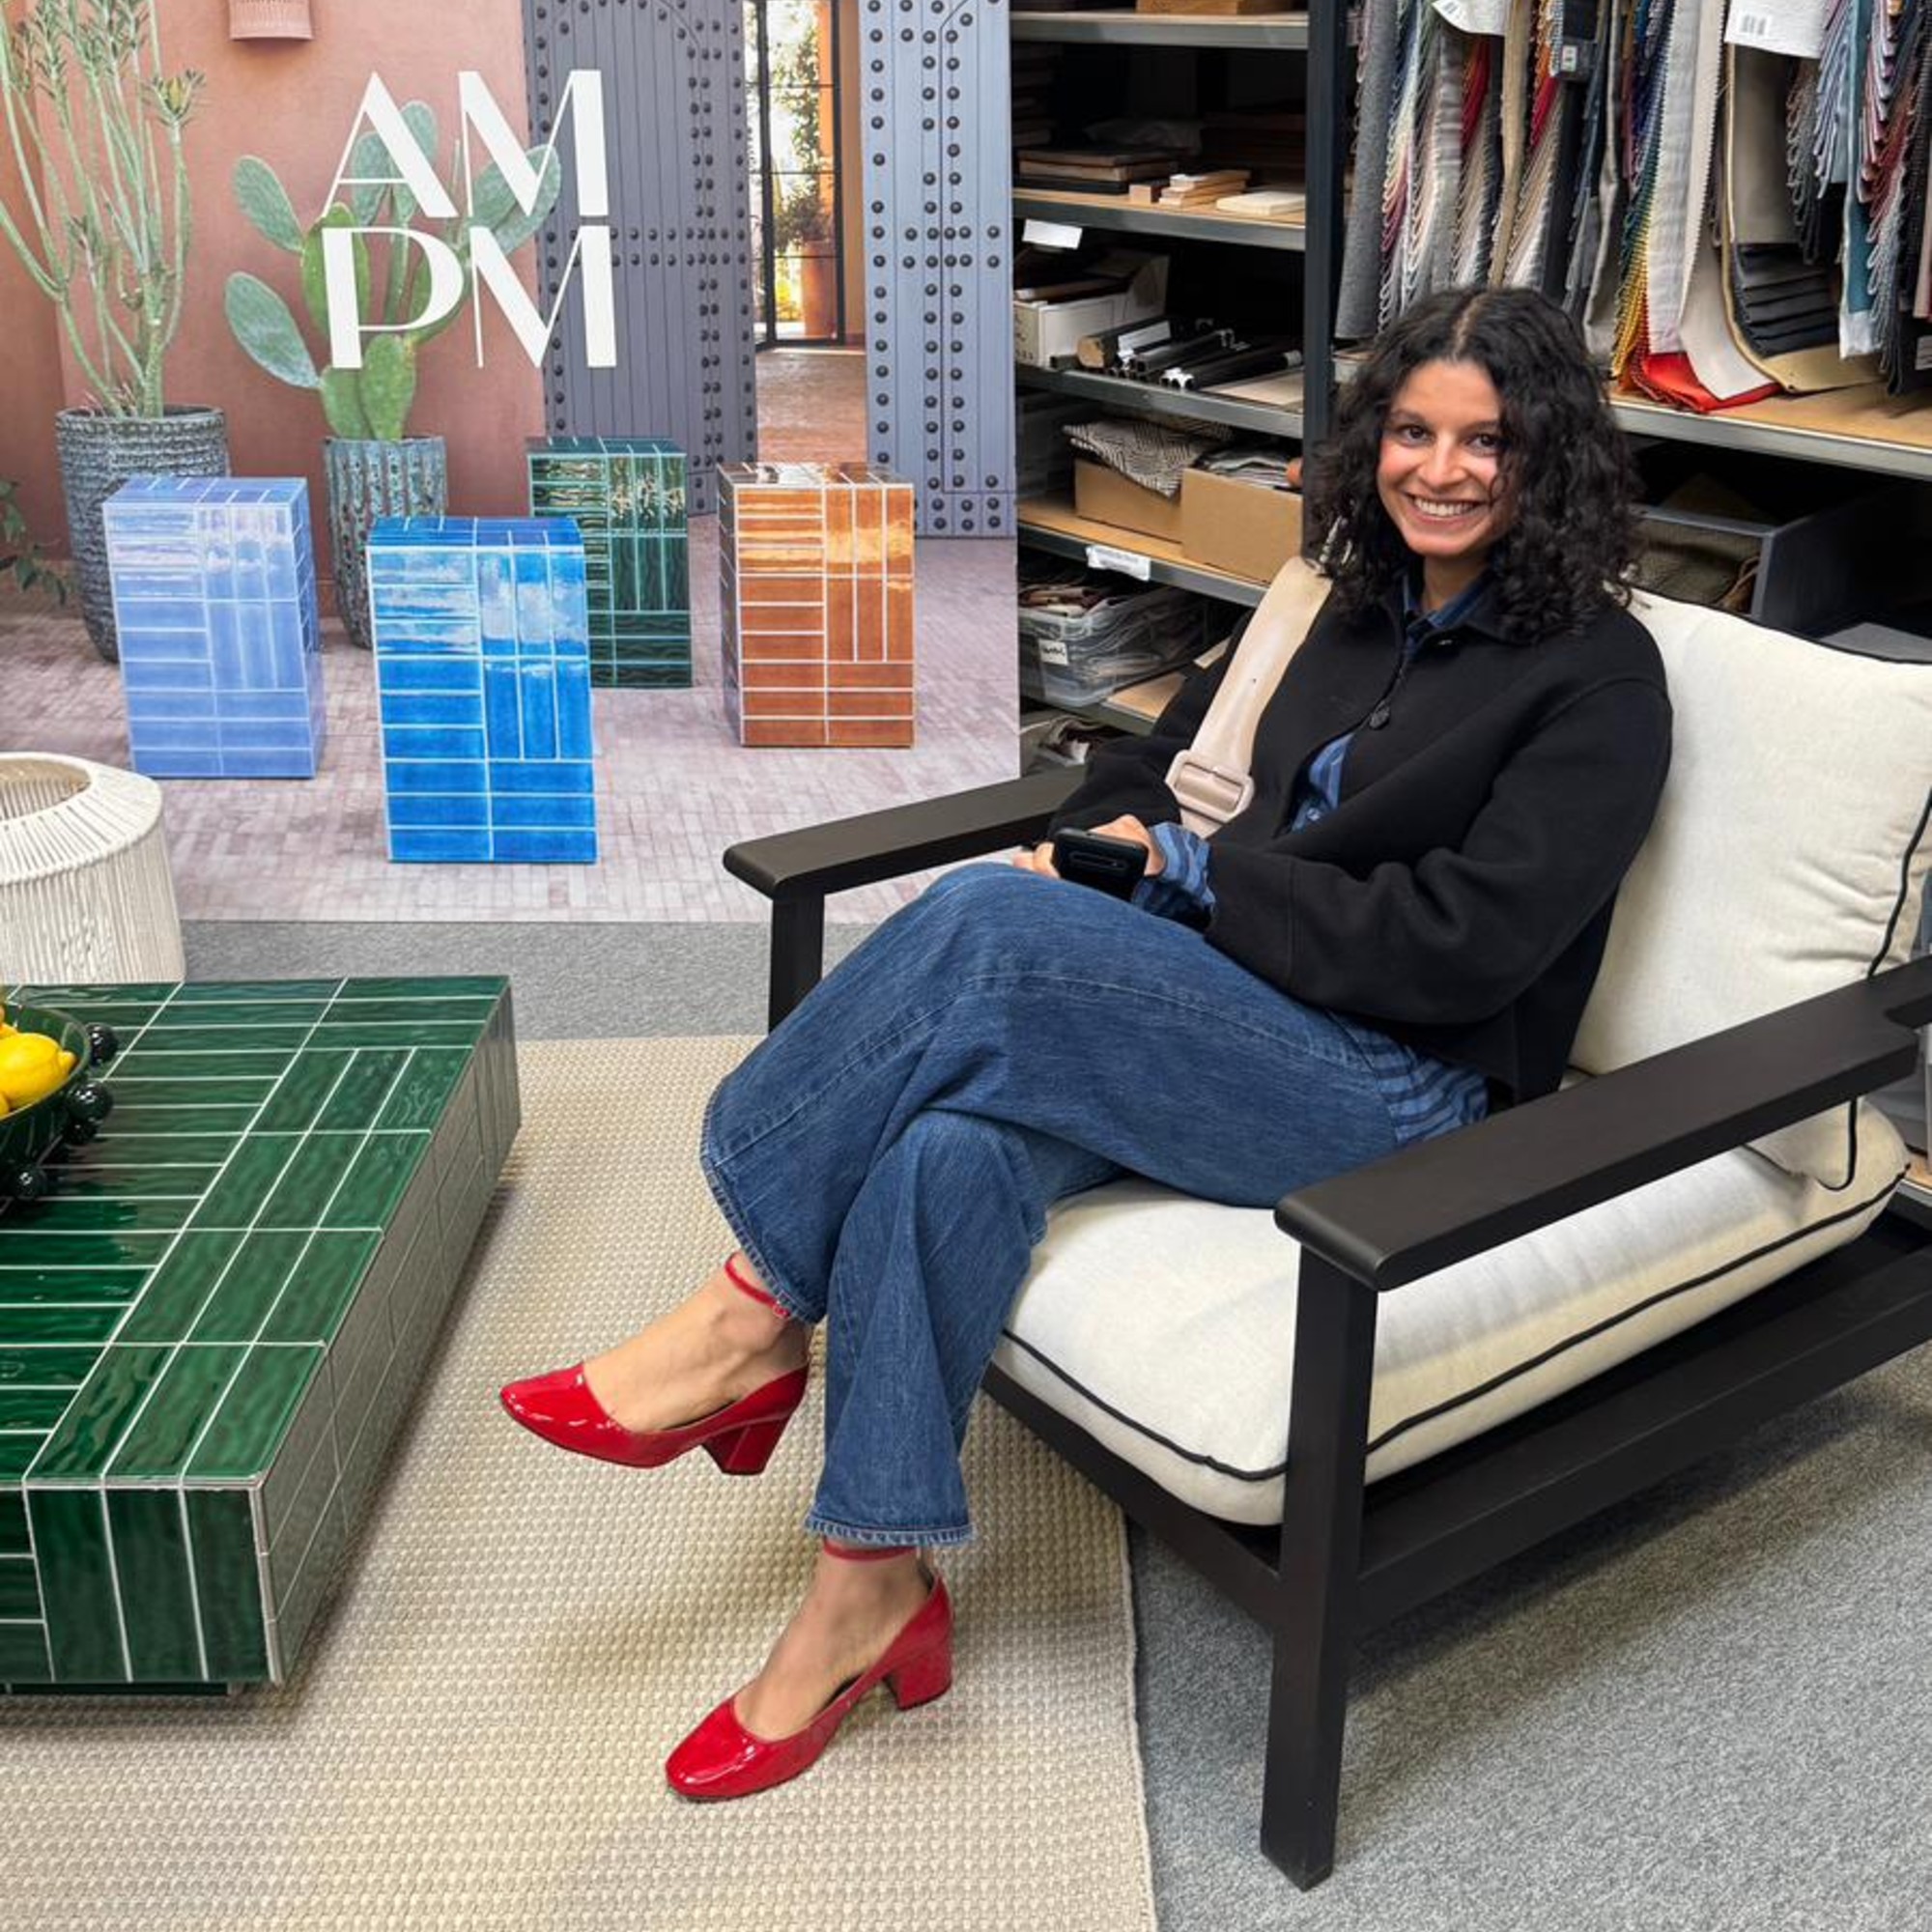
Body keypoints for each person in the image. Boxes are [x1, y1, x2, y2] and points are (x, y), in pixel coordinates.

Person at [498, 283, 1673, 1802]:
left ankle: (747, 1311)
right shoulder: (1338, 594)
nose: (1438, 470)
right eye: (1411, 430)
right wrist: (1099, 836)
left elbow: (1463, 945)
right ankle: (872, 1587)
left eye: (1486, 443)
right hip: (1214, 1005)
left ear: (1550, 462)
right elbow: (1155, 753)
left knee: (985, 932)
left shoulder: (1596, 677)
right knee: (943, 1146)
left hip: (1394, 1083)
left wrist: (1181, 879)